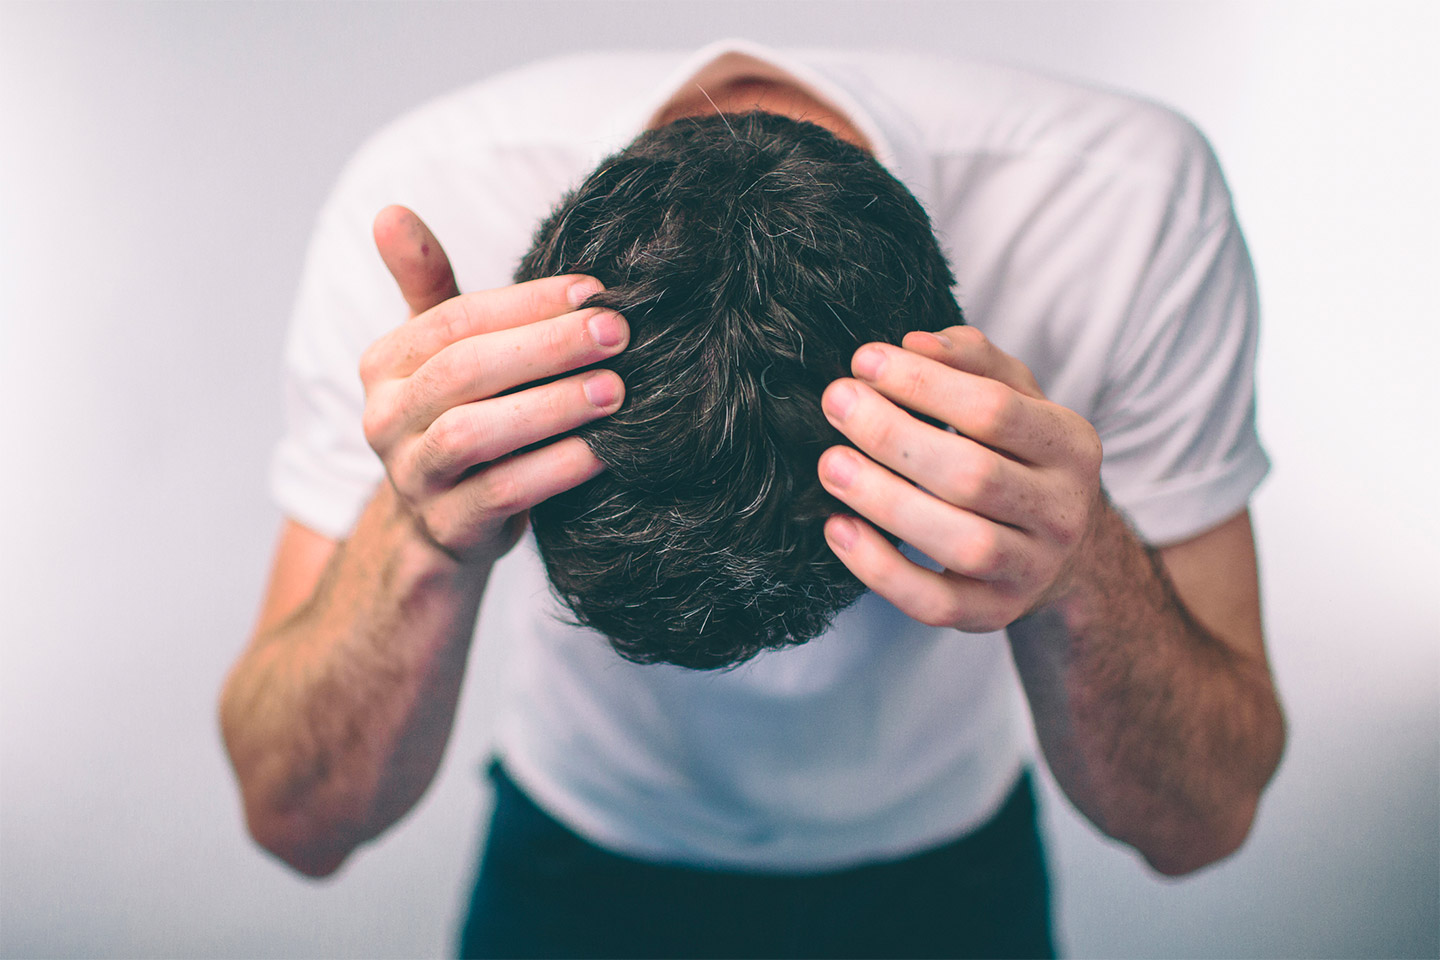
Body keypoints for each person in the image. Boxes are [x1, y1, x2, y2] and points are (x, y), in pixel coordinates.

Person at [219, 40, 1285, 958]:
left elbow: (1201, 823)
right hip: (577, 862)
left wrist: (1079, 553)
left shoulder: (1127, 208)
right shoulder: (426, 203)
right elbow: (294, 816)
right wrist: (419, 527)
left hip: (949, 874)